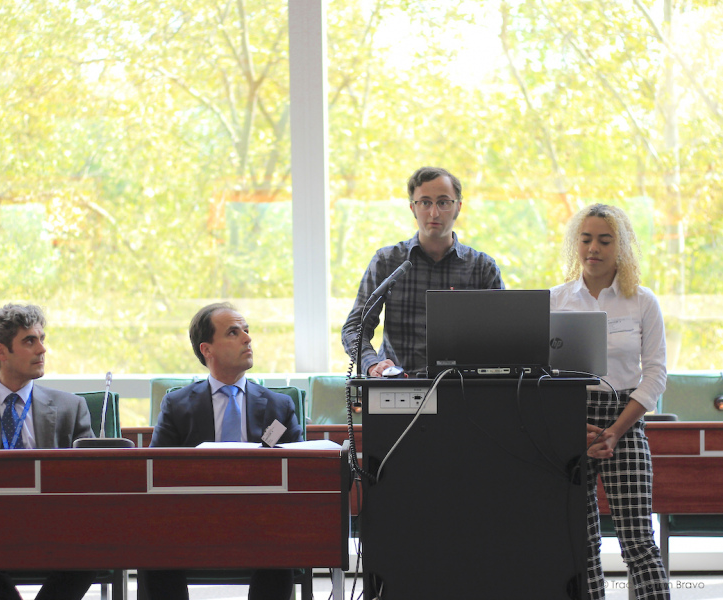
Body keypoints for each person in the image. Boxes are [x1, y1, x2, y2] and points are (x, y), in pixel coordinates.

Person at [143, 302, 303, 600]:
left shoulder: (278, 407)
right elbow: (157, 471)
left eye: (246, 330)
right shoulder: (178, 405)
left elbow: (300, 471)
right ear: (207, 350)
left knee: (281, 547)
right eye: (233, 332)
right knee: (154, 549)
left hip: (262, 520)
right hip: (193, 520)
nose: (247, 338)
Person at [551, 204, 669, 599]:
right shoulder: (555, 301)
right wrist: (569, 427)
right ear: (575, 244)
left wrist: (616, 431)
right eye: (586, 239)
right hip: (570, 422)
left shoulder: (642, 301)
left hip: (626, 420)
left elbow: (655, 374)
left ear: (622, 246)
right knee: (579, 544)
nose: (594, 248)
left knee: (638, 540)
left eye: (605, 239)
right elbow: (539, 375)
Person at [0, 303, 96, 600]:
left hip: (56, 525)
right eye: (30, 341)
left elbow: (90, 476)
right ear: (0, 351)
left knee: (95, 548)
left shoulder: (71, 407)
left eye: (42, 338)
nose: (42, 349)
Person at [341, 166, 504, 376]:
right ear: (412, 208)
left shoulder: (483, 268)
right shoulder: (387, 262)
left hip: (462, 389)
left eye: (443, 202)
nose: (434, 212)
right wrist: (373, 365)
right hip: (398, 386)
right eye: (425, 202)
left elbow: (501, 338)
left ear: (458, 207)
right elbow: (355, 328)